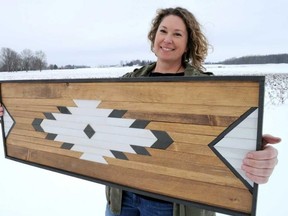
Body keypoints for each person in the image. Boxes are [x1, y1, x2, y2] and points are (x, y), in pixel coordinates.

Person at [0, 7, 281, 216]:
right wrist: (11, 109)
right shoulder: (129, 83)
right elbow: (76, 114)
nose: (168, 39)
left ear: (188, 42)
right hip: (122, 200)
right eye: (163, 31)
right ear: (153, 36)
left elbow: (224, 134)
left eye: (177, 33)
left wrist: (257, 152)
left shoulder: (206, 88)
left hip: (172, 207)